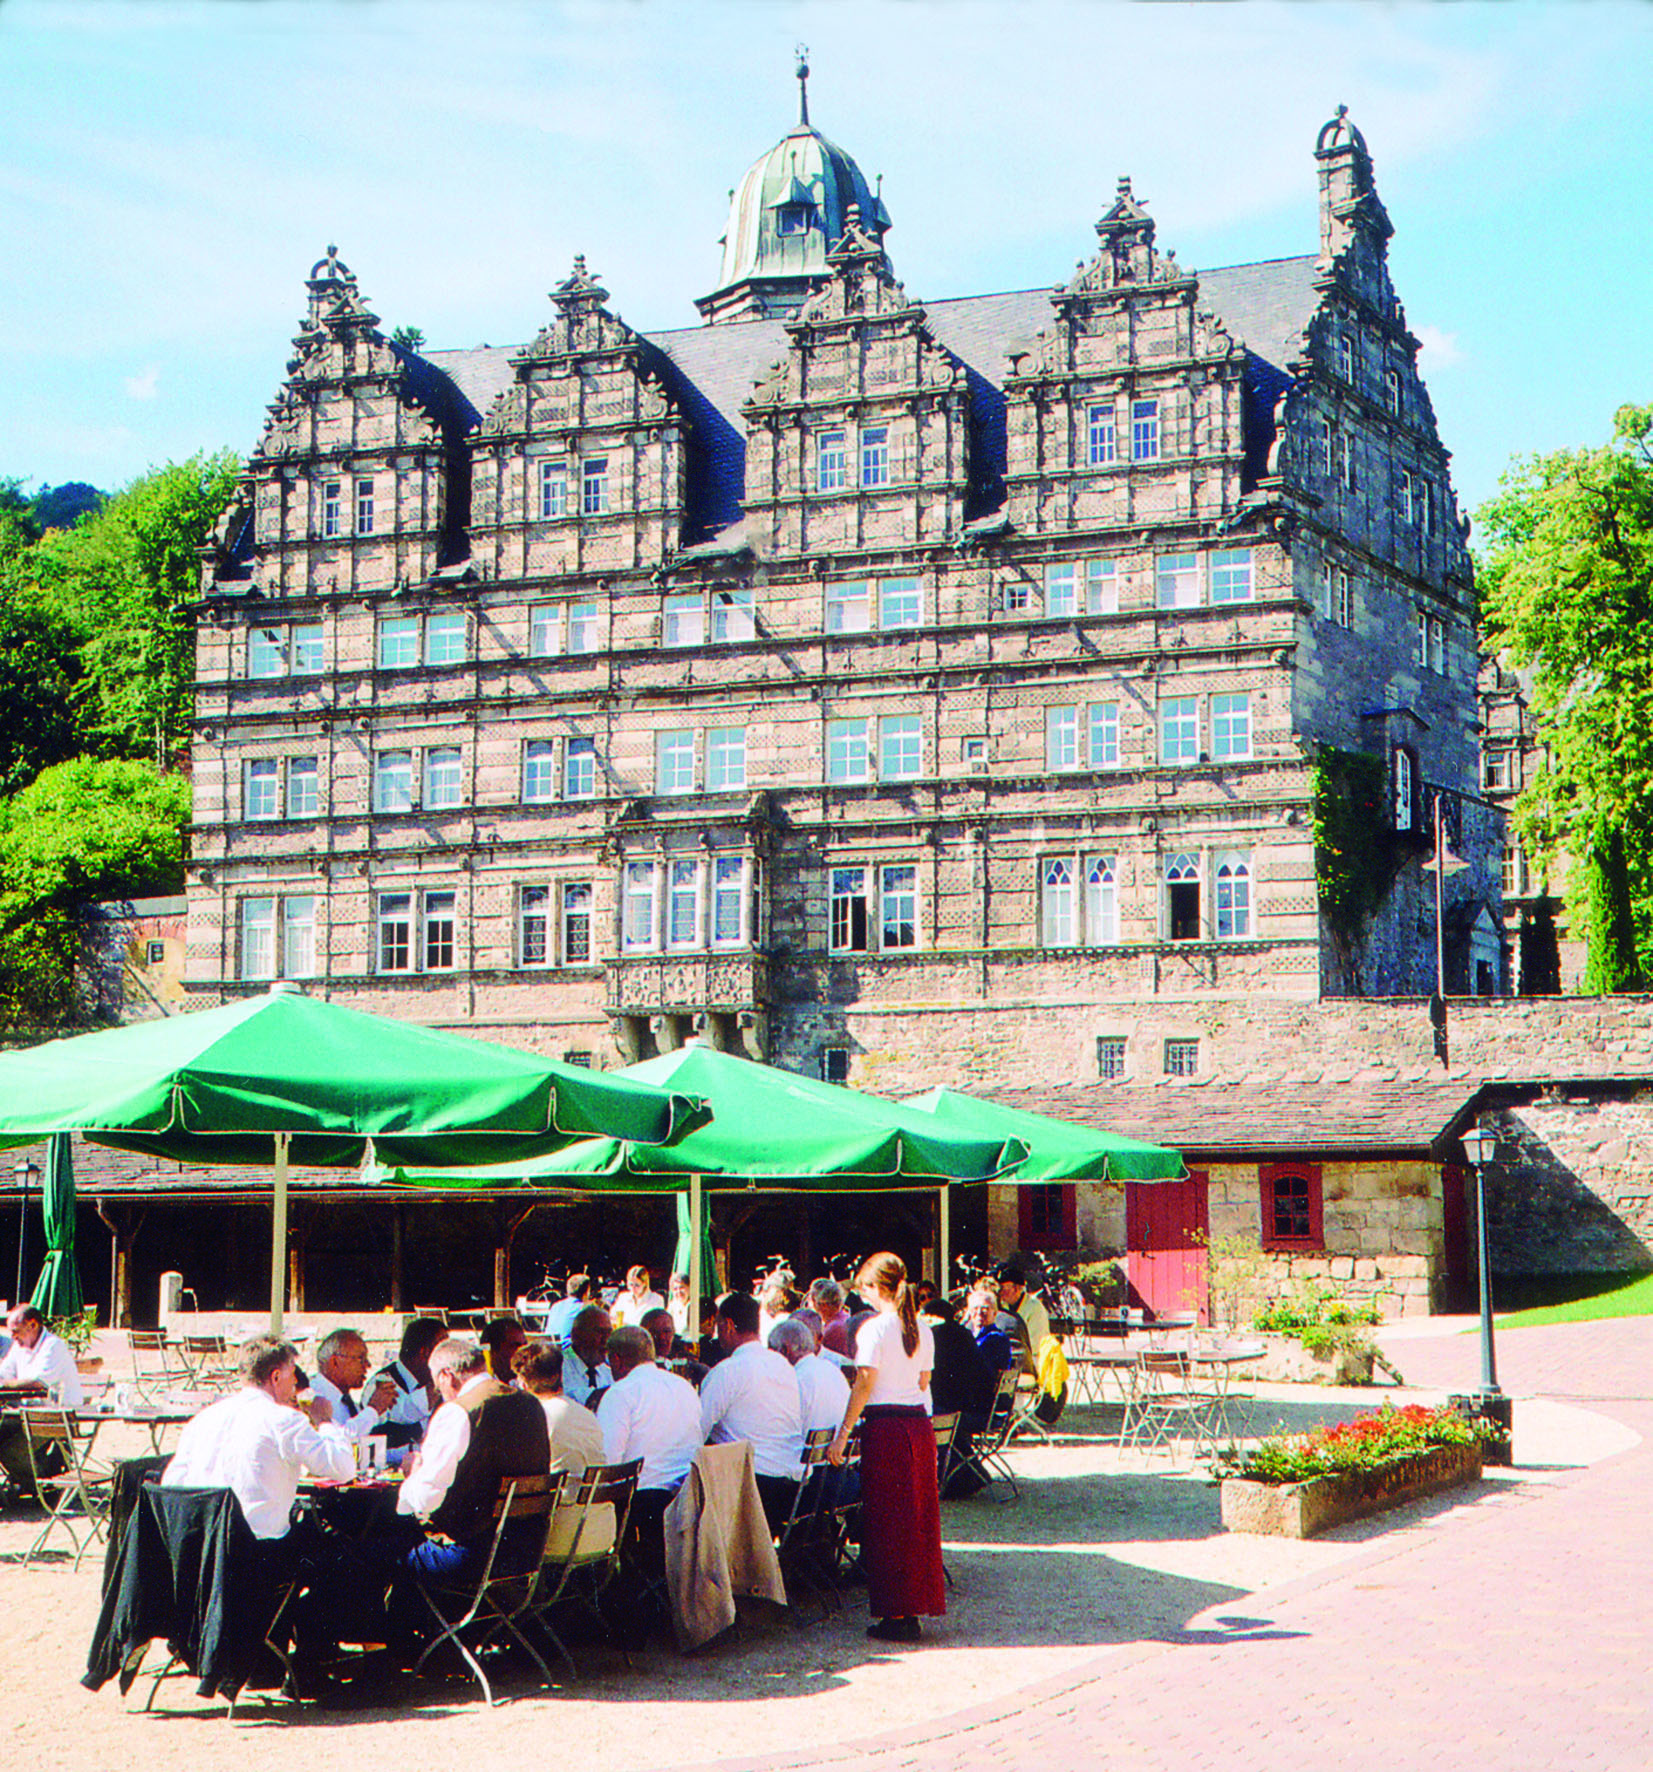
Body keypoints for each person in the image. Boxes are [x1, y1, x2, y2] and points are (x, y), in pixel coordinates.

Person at [829, 1252, 944, 1643]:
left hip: (886, 1427)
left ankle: (896, 1611)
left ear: (877, 1288)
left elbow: (864, 1383)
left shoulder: (875, 1330)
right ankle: (911, 1607)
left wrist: (843, 1432)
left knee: (888, 1521)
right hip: (917, 1426)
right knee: (916, 1520)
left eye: (865, 1290)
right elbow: (925, 1380)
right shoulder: (923, 1330)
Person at [162, 1333, 353, 1540]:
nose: (296, 1381)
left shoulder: (203, 1419)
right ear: (276, 1377)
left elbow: (171, 1485)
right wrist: (325, 1421)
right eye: (292, 1373)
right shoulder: (285, 1420)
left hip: (200, 1547)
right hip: (258, 1552)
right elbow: (343, 1469)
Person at [394, 1335, 550, 1581]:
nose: (440, 1393)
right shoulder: (531, 1402)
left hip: (470, 1554)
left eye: (437, 1384)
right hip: (526, 1551)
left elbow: (426, 1498)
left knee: (367, 1552)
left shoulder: (458, 1411)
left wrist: (412, 1475)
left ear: (447, 1375)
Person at [699, 1291, 805, 1531]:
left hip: (754, 1488)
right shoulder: (783, 1365)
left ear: (727, 1326)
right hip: (793, 1485)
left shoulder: (728, 1370)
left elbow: (698, 1428)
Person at [0, 1305, 85, 1488]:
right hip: (26, 1415)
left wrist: (3, 1384)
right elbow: (4, 1373)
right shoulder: (19, 1346)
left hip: (56, 1418)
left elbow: (39, 1382)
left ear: (32, 1325)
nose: (13, 1337)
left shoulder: (53, 1345)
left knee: (9, 1452)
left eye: (16, 1331)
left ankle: (45, 1487)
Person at [512, 1338, 606, 1474]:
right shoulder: (588, 1415)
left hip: (560, 1493)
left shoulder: (534, 1421)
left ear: (523, 1384)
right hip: (599, 1493)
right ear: (560, 1376)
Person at [307, 1328, 400, 1444]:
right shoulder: (312, 1397)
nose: (368, 1365)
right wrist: (373, 1409)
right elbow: (335, 1445)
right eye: (361, 1359)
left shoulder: (347, 1403)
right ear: (335, 1362)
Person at [370, 1315, 446, 1447]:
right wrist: (439, 1382)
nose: (448, 1355)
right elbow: (404, 1412)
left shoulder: (435, 1381)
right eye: (444, 1349)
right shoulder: (382, 1381)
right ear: (425, 1353)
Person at [769, 1316, 850, 1436]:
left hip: (810, 1451)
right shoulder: (833, 1370)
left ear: (784, 1351)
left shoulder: (795, 1379)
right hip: (837, 1450)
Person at [997, 1260, 1052, 1375]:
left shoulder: (1035, 1308)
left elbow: (1035, 1344)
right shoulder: (1003, 1306)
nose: (1000, 1293)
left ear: (1016, 1289)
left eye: (1003, 1288)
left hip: (1033, 1362)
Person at [641, 1305, 707, 1387]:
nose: (661, 1337)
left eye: (666, 1331)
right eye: (655, 1332)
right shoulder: (637, 1364)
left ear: (673, 1332)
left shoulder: (681, 1357)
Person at [563, 1304, 613, 1408]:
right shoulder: (559, 1366)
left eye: (609, 1333)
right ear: (576, 1334)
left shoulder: (607, 1372)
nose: (606, 1340)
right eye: (600, 1332)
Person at [808, 1277, 854, 1361]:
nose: (809, 1304)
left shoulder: (834, 1328)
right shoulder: (844, 1317)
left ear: (823, 1305)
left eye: (811, 1299)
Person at [610, 1265, 664, 1329]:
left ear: (645, 1284)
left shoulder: (656, 1299)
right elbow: (612, 1317)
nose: (633, 1288)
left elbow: (658, 1324)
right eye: (631, 1284)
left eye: (637, 1285)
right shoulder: (623, 1297)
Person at [545, 1274, 593, 1346]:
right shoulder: (584, 1309)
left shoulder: (555, 1306)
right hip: (568, 1353)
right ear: (586, 1292)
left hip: (550, 1349)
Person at [481, 1315, 528, 1385]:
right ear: (494, 1351)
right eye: (516, 1346)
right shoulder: (481, 1387)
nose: (523, 1352)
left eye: (525, 1345)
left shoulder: (530, 1385)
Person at [666, 1271, 694, 1339]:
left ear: (689, 1287)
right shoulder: (672, 1306)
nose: (678, 1292)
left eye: (681, 1287)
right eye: (675, 1289)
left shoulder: (694, 1305)